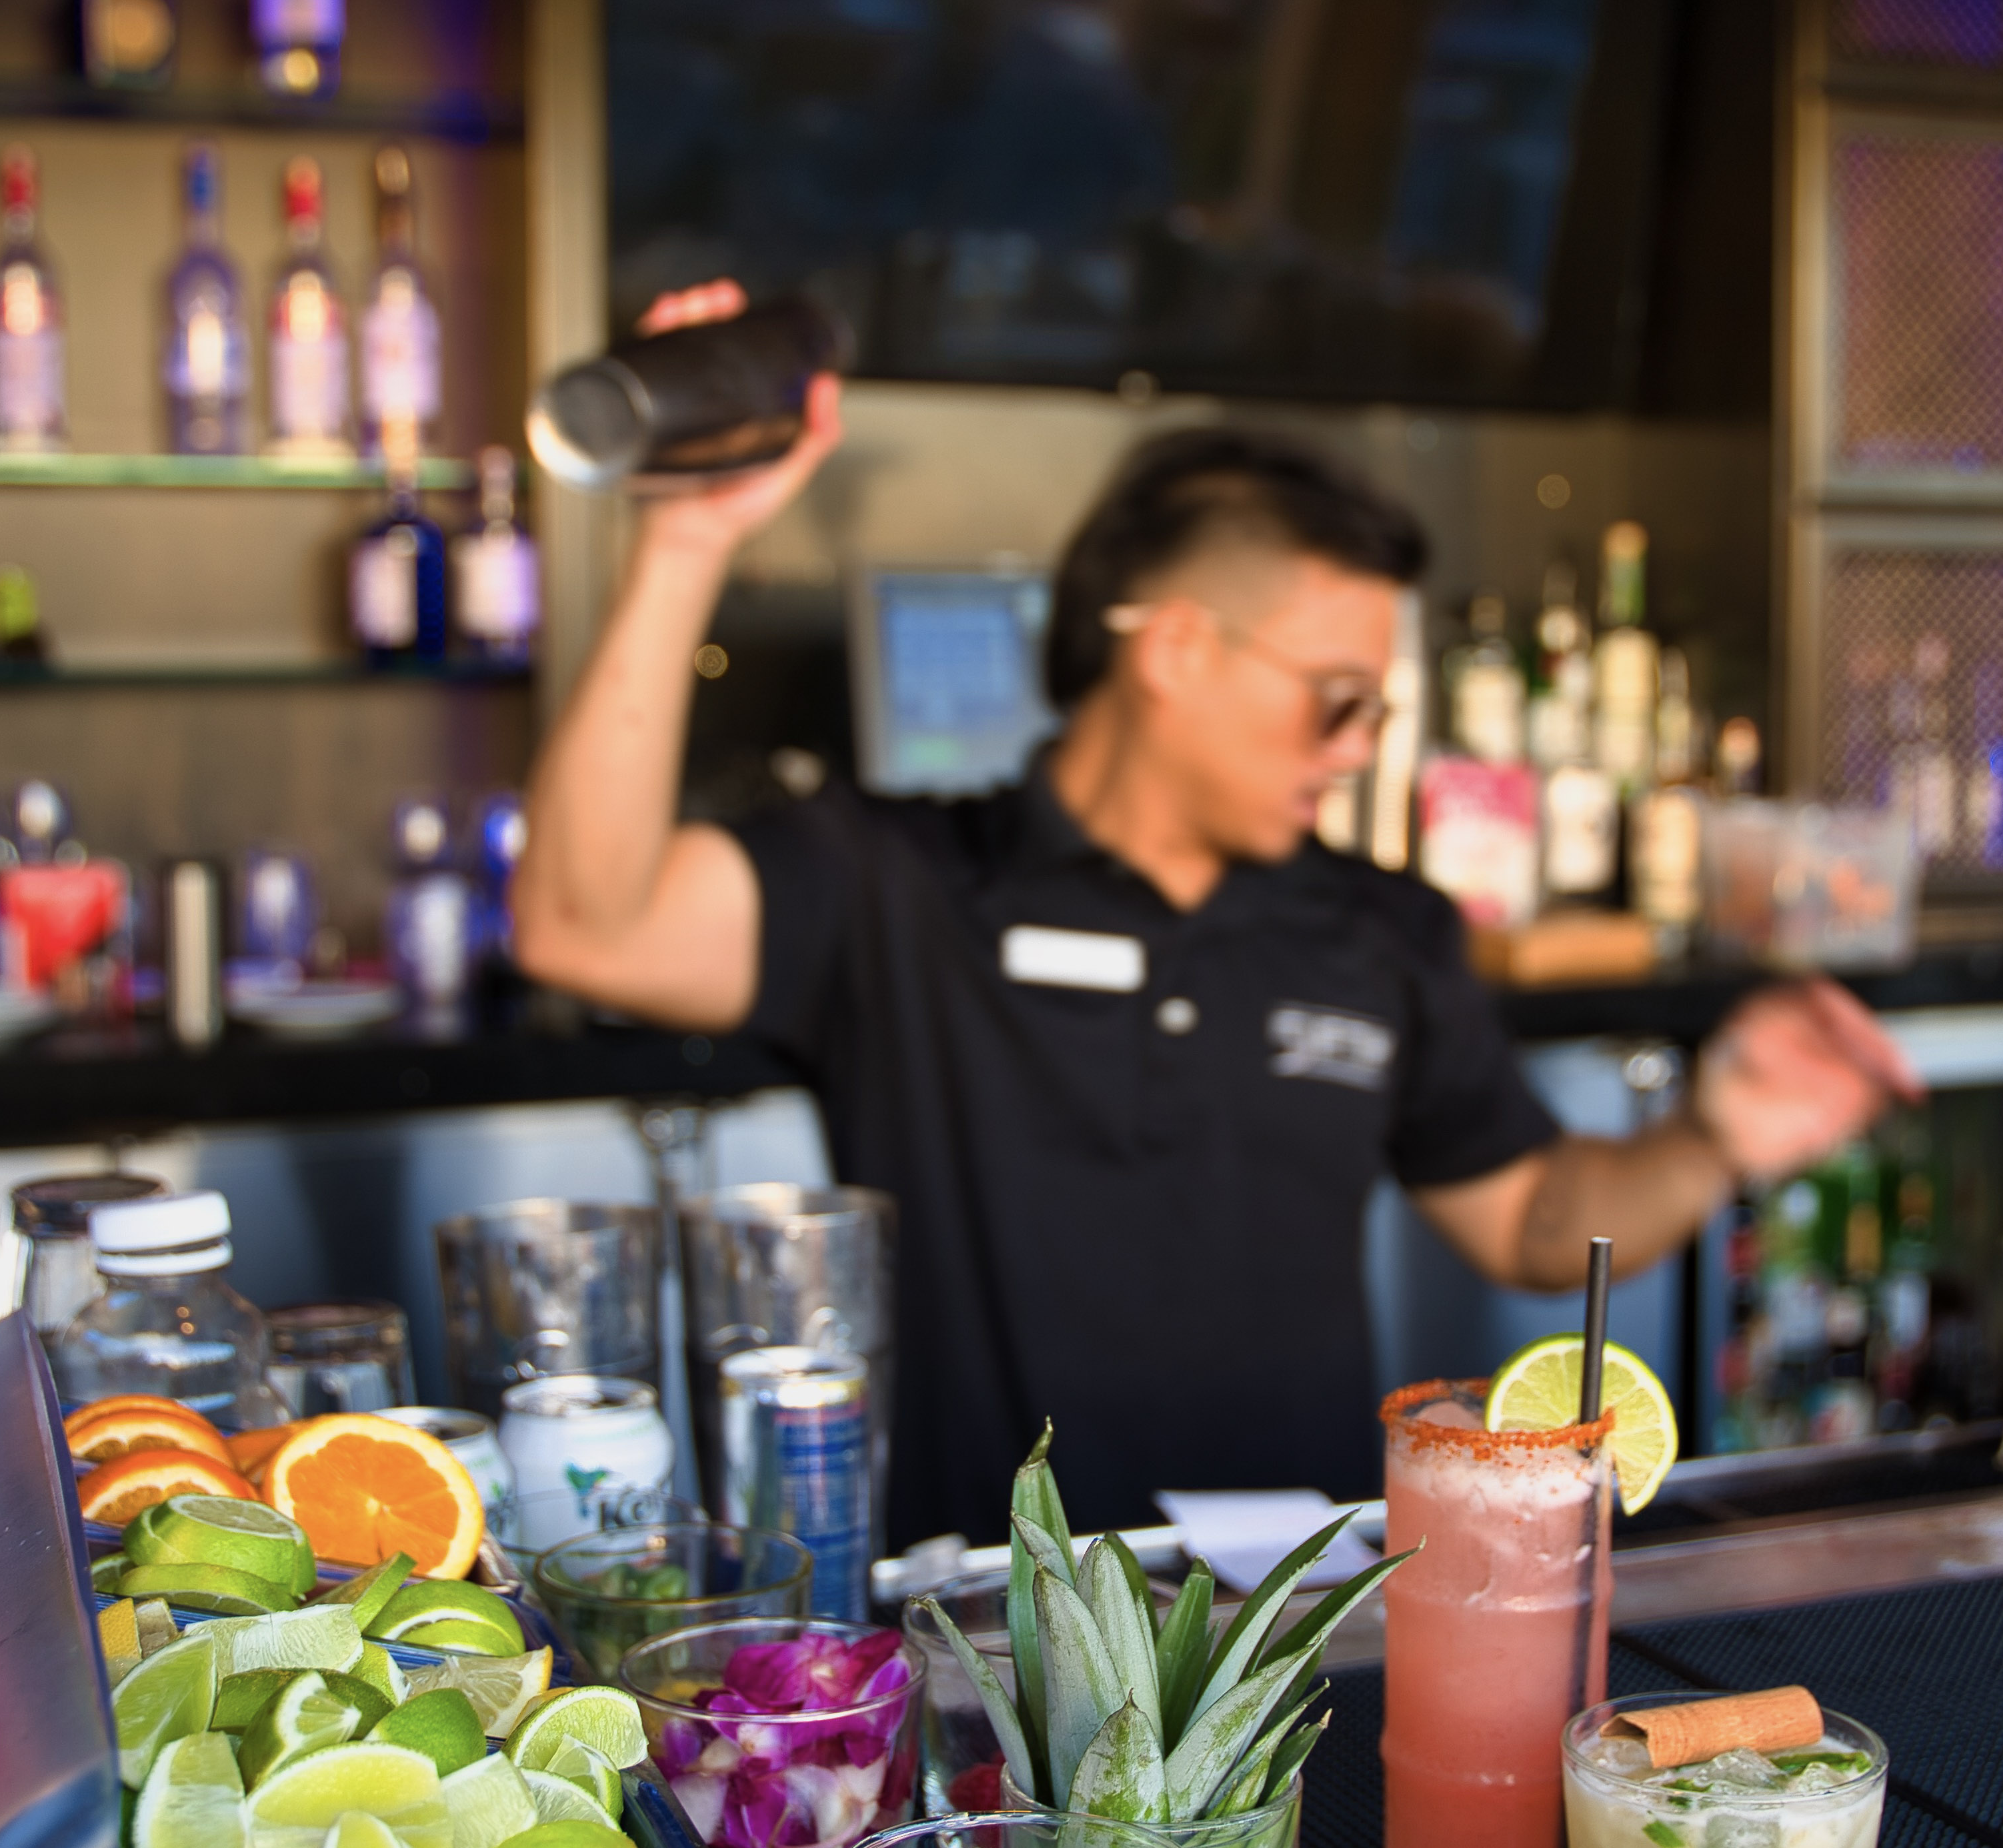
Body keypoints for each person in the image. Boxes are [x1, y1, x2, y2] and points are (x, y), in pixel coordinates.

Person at [515, 327, 1920, 1543]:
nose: (1356, 744)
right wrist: (686, 535)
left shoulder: (1377, 928)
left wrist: (1712, 1137)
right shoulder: (893, 885)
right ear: (1175, 649)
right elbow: (584, 922)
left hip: (1294, 1640)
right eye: (1334, 698)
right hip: (991, 1636)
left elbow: (1533, 1222)